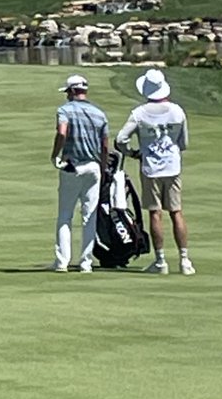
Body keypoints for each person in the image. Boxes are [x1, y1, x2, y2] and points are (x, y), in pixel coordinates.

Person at [115, 68, 194, 275]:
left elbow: (120, 140)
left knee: (155, 213)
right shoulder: (178, 111)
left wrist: (133, 153)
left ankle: (161, 262)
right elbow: (183, 143)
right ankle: (185, 260)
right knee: (176, 212)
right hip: (173, 167)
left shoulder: (139, 113)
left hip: (150, 167)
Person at [50, 73, 108, 273]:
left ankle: (62, 262)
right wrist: (103, 165)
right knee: (89, 216)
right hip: (93, 167)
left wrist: (55, 155)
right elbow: (105, 144)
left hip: (71, 166)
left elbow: (62, 132)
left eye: (68, 92)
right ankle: (86, 263)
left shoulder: (64, 110)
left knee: (65, 216)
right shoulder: (100, 113)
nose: (66, 96)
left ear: (73, 91)